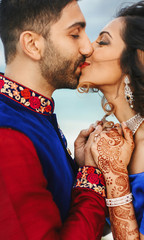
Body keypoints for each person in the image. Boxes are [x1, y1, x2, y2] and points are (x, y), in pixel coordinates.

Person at [0, 0, 108, 239]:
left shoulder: (33, 114)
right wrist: (92, 176)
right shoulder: (8, 137)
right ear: (32, 44)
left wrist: (78, 169)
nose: (88, 47)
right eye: (75, 34)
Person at [78, 1, 144, 239]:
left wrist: (114, 176)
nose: (86, 48)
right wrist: (87, 169)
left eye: (102, 41)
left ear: (134, 61)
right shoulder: (113, 141)